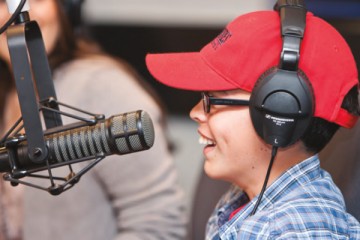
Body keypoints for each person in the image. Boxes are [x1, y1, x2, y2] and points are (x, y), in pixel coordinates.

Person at [145, 1, 360, 239]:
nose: (195, 112)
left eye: (213, 99)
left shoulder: (294, 232)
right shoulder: (245, 199)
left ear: (280, 113)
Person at [0, 0, 186, 239]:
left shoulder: (102, 86)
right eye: (3, 2)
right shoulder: (7, 92)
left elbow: (159, 225)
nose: (18, 14)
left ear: (65, 8)